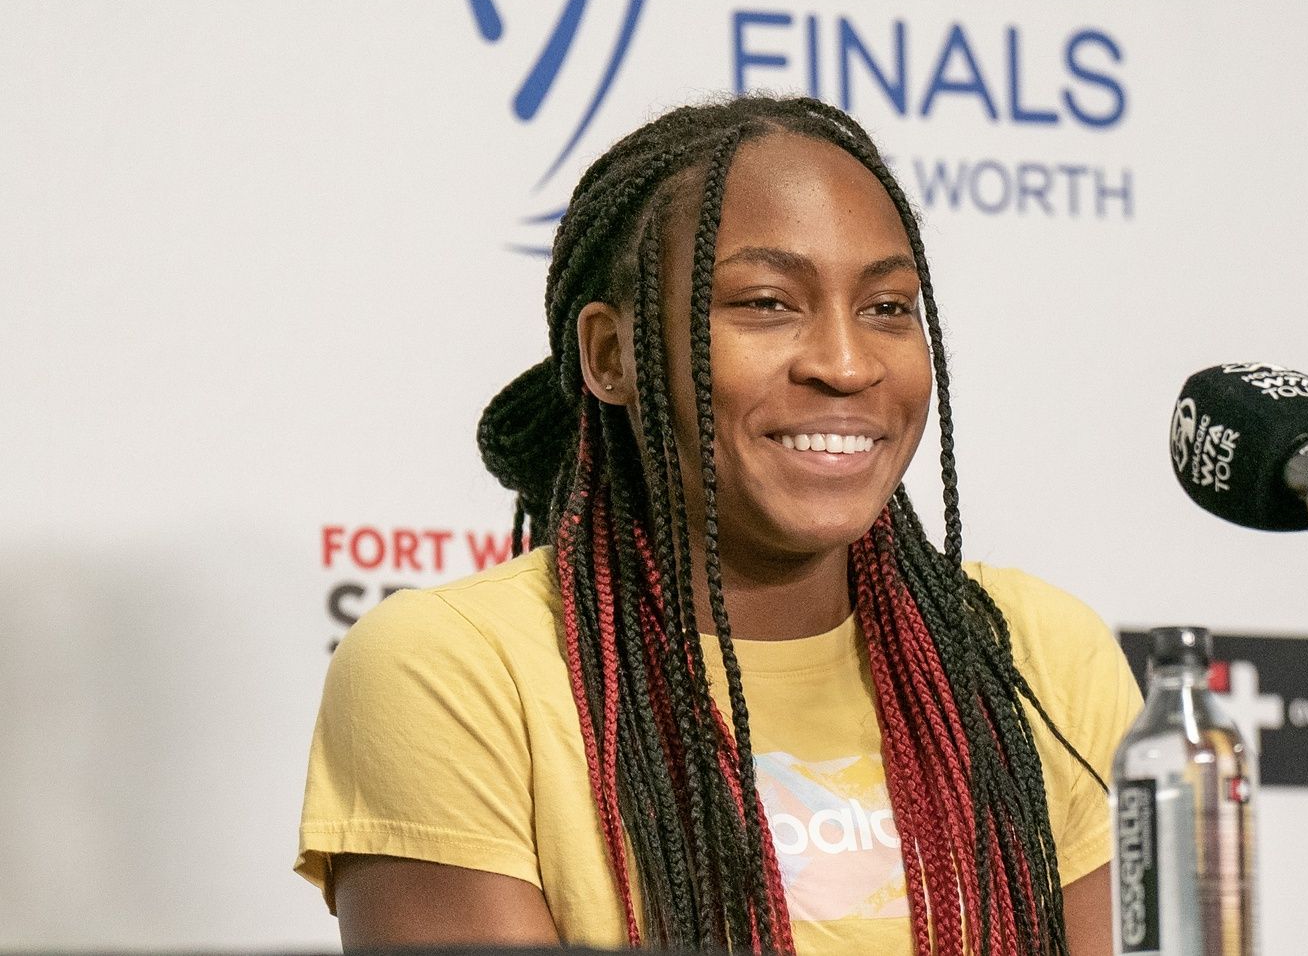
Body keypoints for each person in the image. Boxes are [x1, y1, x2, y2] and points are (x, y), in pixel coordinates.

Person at [296, 95, 1143, 954]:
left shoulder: (1035, 653)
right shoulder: (455, 669)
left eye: (887, 307)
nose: (845, 365)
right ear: (610, 355)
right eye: (767, 303)